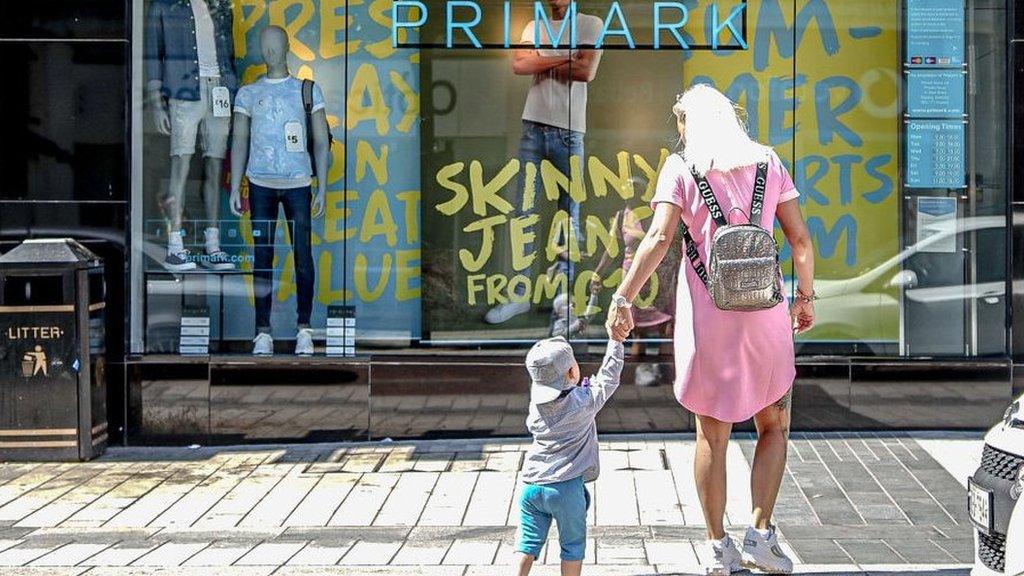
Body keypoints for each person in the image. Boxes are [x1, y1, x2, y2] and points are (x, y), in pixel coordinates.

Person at [606, 84, 816, 575]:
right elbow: (800, 240)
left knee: (711, 437)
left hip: (710, 320)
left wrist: (624, 298)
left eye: (680, 122)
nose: (677, 131)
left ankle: (718, 548)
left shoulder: (681, 167)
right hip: (766, 314)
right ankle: (761, 536)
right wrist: (805, 298)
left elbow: (658, 239)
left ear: (689, 124)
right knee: (775, 425)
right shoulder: (768, 161)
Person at [486, 0, 604, 326]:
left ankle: (563, 305)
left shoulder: (590, 24)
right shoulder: (533, 26)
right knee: (523, 214)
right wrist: (568, 55)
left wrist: (543, 58)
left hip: (570, 132)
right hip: (532, 129)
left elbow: (586, 71)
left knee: (569, 217)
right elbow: (519, 65)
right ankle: (519, 295)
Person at [229, 26, 331, 356]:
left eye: (276, 45)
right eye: (265, 45)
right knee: (263, 257)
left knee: (303, 254)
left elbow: (320, 141)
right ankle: (263, 331)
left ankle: (304, 328)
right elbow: (240, 140)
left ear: (287, 47)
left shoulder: (307, 90)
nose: (270, 51)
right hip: (261, 183)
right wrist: (236, 185)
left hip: (299, 183)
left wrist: (323, 188)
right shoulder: (247, 94)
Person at [514, 332, 625, 576]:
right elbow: (609, 377)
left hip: (531, 486)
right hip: (565, 489)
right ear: (572, 373)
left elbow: (559, 395)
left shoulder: (536, 407)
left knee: (527, 544)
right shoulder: (584, 403)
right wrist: (615, 342)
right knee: (572, 547)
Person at [590, 176, 681, 385]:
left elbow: (664, 240)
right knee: (636, 327)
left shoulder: (654, 213)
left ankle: (664, 373)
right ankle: (638, 373)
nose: (630, 192)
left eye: (635, 188)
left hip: (659, 278)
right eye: (627, 188)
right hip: (633, 278)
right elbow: (612, 250)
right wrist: (598, 273)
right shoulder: (622, 216)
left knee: (664, 325)